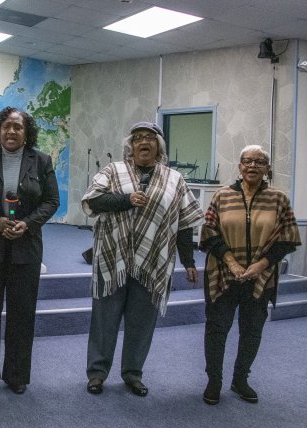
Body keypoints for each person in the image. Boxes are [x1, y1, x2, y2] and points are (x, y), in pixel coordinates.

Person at [81, 121, 204, 397]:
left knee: (141, 323)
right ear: (131, 146)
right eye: (137, 138)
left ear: (159, 146)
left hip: (153, 262)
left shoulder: (175, 179)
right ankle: (97, 374)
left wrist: (189, 261)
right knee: (104, 320)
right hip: (112, 259)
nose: (143, 142)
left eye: (149, 138)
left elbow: (184, 223)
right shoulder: (113, 171)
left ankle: (133, 374)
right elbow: (92, 201)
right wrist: (126, 199)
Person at [0, 107, 59, 395]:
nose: (11, 131)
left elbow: (51, 201)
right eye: (6, 126)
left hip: (26, 249)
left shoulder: (41, 160)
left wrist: (27, 224)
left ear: (26, 132)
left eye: (18, 127)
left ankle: (17, 375)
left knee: (22, 314)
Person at [200, 145, 300, 405]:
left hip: (261, 277)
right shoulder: (222, 196)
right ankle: (214, 381)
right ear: (240, 166)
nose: (253, 166)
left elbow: (288, 239)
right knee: (216, 329)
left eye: (260, 162)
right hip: (222, 274)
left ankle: (240, 379)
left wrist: (261, 265)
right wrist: (232, 263)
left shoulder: (279, 199)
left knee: (252, 330)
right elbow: (209, 233)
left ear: (267, 168)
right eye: (247, 161)